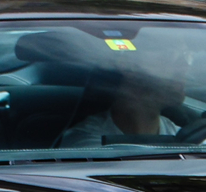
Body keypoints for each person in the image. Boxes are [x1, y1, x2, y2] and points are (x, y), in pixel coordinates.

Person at [58, 42, 191, 145]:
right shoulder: (87, 145)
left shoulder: (186, 136)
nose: (184, 65)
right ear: (128, 66)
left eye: (185, 55)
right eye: (170, 55)